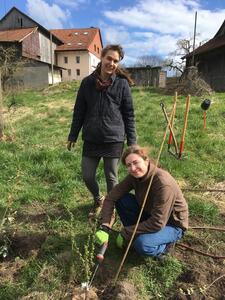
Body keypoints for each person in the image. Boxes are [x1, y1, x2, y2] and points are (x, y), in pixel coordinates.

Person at [67, 44, 136, 218]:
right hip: (92, 137)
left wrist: (132, 141)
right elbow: (79, 111)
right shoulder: (87, 83)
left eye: (116, 61)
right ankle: (98, 199)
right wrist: (73, 135)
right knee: (87, 175)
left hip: (114, 138)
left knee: (111, 178)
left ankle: (110, 210)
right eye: (109, 59)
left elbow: (129, 114)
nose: (111, 63)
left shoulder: (122, 85)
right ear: (102, 58)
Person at [95, 145, 188, 257]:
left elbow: (158, 222)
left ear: (146, 160)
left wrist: (127, 232)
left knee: (142, 244)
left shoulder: (163, 184)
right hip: (150, 214)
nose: (133, 168)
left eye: (136, 162)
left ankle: (163, 248)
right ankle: (136, 234)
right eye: (129, 165)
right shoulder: (134, 176)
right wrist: (105, 226)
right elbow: (111, 197)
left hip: (171, 224)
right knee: (121, 199)